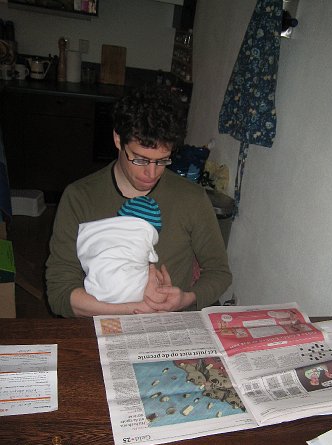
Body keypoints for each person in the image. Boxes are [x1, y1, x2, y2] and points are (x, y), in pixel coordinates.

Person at [46, 84, 232, 317]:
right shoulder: (80, 197)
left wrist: (185, 299)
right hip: (103, 320)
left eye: (162, 160)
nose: (151, 173)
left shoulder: (191, 198)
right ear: (118, 139)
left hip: (170, 324)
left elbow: (219, 272)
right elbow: (59, 293)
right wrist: (133, 310)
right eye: (140, 159)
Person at [77, 196, 162, 304]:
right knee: (153, 277)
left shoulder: (106, 234)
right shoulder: (145, 236)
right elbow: (153, 259)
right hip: (134, 293)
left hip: (95, 289)